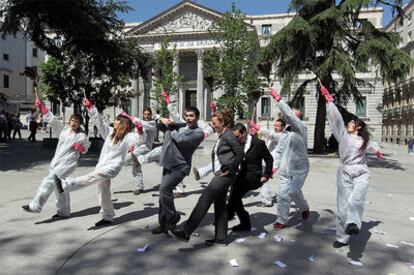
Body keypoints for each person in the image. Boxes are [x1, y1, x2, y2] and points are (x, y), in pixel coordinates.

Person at [54, 98, 145, 226]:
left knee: (92, 177)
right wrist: (91, 107)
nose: (115, 122)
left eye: (117, 120)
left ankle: (66, 185)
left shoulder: (128, 136)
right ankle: (108, 216)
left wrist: (140, 130)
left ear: (122, 123)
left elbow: (139, 140)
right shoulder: (110, 132)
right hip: (102, 165)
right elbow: (99, 122)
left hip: (112, 167)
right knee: (103, 190)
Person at [319, 85, 384, 248]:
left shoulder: (364, 141)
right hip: (345, 172)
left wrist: (377, 151)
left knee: (356, 199)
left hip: (361, 172)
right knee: (342, 206)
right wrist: (330, 102)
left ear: (359, 126)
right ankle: (342, 236)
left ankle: (353, 224)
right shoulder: (343, 136)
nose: (348, 123)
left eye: (352, 122)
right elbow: (336, 121)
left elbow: (373, 146)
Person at [170, 110, 244, 246]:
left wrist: (230, 168)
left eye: (215, 123)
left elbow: (240, 153)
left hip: (225, 176)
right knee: (220, 206)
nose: (212, 125)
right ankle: (221, 239)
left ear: (222, 123)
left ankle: (186, 232)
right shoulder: (222, 135)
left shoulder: (228, 135)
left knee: (204, 199)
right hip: (220, 174)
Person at [22, 98, 90, 217]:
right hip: (56, 162)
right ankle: (64, 211)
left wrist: (81, 149)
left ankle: (36, 205)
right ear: (70, 121)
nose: (74, 122)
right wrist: (42, 107)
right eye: (73, 120)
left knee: (48, 181)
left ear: (80, 124)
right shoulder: (63, 130)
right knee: (59, 187)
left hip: (67, 164)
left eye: (77, 121)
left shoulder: (82, 136)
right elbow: (52, 120)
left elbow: (86, 148)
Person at [151, 105, 205, 234]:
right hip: (168, 162)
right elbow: (161, 128)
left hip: (180, 166)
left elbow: (180, 140)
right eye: (186, 115)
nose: (188, 118)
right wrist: (160, 121)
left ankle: (172, 216)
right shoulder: (179, 126)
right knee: (163, 196)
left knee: (164, 189)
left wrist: (170, 126)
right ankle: (164, 224)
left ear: (197, 117)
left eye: (191, 116)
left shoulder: (198, 133)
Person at [270, 88, 310, 230]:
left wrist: (279, 100)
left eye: (295, 116)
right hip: (286, 169)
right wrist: (274, 167)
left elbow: (289, 116)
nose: (292, 117)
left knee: (293, 191)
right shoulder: (285, 133)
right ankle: (282, 219)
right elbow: (279, 151)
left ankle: (304, 207)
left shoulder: (302, 129)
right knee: (282, 194)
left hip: (300, 169)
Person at [227, 123, 273, 231]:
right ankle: (245, 223)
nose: (236, 139)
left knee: (234, 197)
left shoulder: (258, 143)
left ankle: (225, 218)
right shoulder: (236, 143)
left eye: (238, 136)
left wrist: (266, 175)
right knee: (235, 198)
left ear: (244, 133)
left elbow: (269, 159)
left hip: (252, 177)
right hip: (239, 176)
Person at [254, 118, 286, 207]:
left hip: (273, 163)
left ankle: (267, 201)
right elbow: (267, 136)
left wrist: (257, 126)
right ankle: (268, 200)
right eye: (275, 125)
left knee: (264, 180)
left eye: (278, 126)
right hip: (267, 161)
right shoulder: (275, 133)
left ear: (283, 127)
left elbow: (270, 134)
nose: (275, 127)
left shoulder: (282, 136)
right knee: (263, 180)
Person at [130, 107, 157, 195]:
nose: (147, 116)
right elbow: (136, 136)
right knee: (136, 167)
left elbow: (144, 124)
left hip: (146, 147)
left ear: (151, 115)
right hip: (138, 147)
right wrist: (132, 146)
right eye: (145, 114)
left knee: (128, 158)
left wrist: (133, 119)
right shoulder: (140, 123)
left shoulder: (152, 123)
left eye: (148, 114)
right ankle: (140, 187)